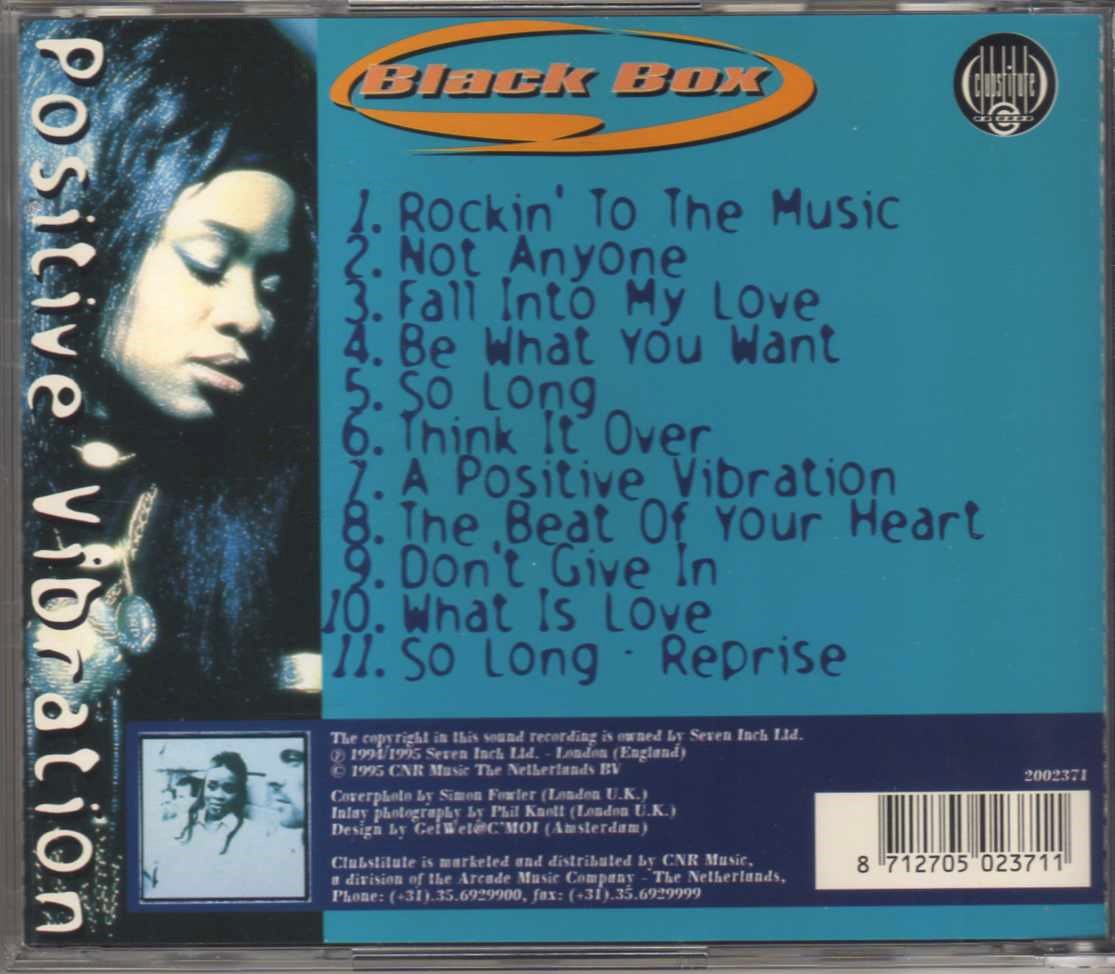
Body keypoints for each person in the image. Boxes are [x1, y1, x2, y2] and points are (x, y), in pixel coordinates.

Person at [22, 20, 320, 719]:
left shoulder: (295, 524)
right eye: (206, 264)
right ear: (84, 231)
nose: (250, 316)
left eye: (275, 285)